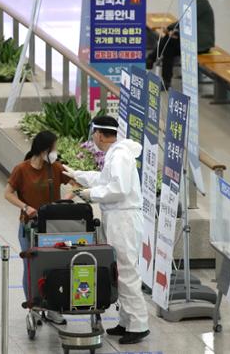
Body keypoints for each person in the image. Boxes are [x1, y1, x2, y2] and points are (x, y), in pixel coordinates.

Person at [62, 115, 150, 345]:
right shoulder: (116, 154)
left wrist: (91, 195)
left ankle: (139, 325)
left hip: (124, 219)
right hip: (119, 217)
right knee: (119, 271)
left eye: (93, 134)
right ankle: (126, 321)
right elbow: (103, 179)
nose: (93, 139)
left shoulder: (120, 155)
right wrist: (76, 174)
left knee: (126, 270)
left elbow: (117, 189)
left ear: (99, 134)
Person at [4, 130, 72, 325]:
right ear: (44, 150)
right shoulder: (21, 169)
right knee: (32, 267)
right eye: (54, 148)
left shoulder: (56, 168)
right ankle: (33, 307)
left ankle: (53, 307)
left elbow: (75, 182)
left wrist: (65, 200)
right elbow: (8, 193)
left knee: (55, 266)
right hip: (29, 227)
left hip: (52, 227)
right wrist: (25, 207)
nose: (55, 153)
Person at [146, 0, 215, 90]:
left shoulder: (201, 3)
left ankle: (152, 60)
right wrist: (174, 31)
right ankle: (159, 71)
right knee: (169, 44)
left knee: (169, 45)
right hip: (194, 38)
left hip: (201, 44)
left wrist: (169, 29)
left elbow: (185, 20)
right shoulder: (197, 0)